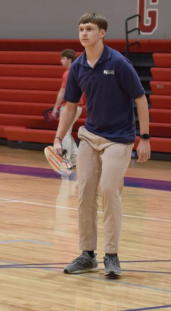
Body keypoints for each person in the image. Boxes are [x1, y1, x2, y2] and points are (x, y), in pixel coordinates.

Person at [54, 12, 151, 278]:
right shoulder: (77, 67)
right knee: (85, 193)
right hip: (90, 136)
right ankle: (87, 255)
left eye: (89, 29)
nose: (84, 33)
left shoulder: (118, 63)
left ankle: (111, 255)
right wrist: (59, 137)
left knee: (109, 190)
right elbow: (70, 105)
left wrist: (144, 138)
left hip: (119, 139)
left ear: (102, 33)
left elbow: (140, 100)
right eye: (81, 29)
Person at [51, 49, 85, 167]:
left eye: (63, 58)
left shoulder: (68, 73)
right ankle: (76, 159)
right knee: (68, 132)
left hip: (69, 107)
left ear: (69, 60)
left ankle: (66, 160)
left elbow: (62, 91)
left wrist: (55, 108)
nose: (61, 61)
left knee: (64, 133)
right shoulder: (78, 71)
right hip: (79, 107)